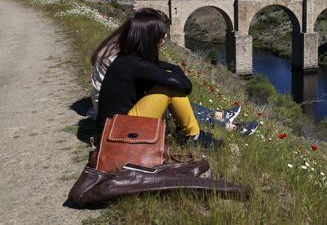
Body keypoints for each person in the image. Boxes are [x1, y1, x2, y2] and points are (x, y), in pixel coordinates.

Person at [94, 8, 239, 146]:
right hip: (117, 134)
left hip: (113, 128)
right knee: (167, 89)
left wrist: (175, 72)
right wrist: (177, 78)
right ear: (150, 37)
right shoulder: (136, 65)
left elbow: (170, 68)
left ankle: (193, 135)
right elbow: (185, 85)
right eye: (161, 35)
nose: (164, 39)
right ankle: (194, 136)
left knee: (168, 85)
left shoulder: (128, 59)